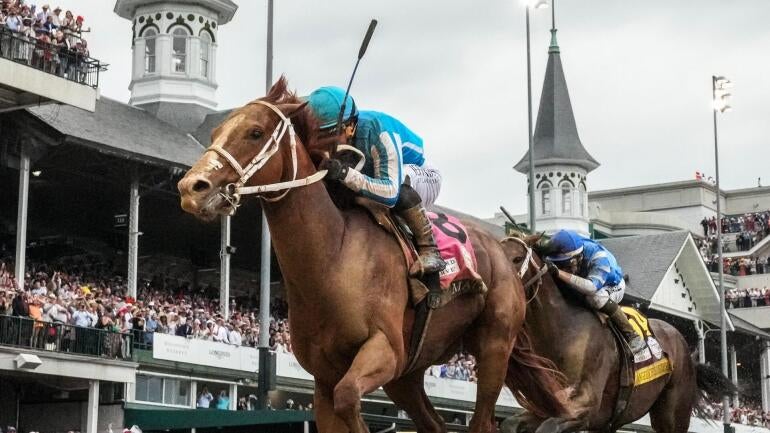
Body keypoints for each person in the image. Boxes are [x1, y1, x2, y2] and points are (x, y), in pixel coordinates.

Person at [307, 86, 445, 276]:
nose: (322, 143)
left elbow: (390, 193)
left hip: (422, 175)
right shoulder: (344, 130)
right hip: (378, 174)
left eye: (327, 136)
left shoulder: (378, 131)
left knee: (401, 183)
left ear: (349, 127)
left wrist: (346, 174)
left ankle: (430, 248)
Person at [543, 229, 646, 354]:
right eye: (559, 265)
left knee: (595, 297)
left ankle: (632, 335)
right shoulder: (573, 252)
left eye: (566, 264)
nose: (564, 268)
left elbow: (591, 288)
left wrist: (559, 272)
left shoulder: (600, 258)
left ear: (578, 257)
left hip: (612, 285)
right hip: (587, 281)